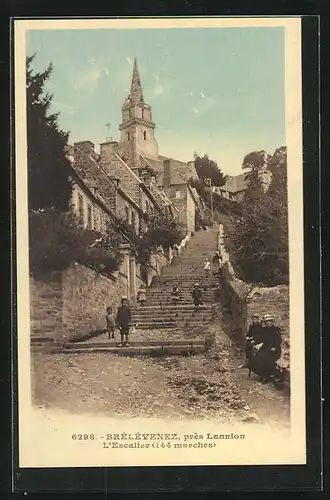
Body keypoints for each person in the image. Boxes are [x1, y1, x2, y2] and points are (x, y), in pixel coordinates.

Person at [248, 314, 282, 383]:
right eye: (266, 322)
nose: (268, 323)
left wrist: (275, 347)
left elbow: (278, 340)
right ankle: (261, 374)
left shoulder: (276, 329)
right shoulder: (264, 330)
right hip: (265, 347)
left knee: (265, 357)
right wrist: (254, 341)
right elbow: (260, 338)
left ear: (272, 322)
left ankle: (265, 376)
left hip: (274, 348)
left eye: (269, 322)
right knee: (257, 356)